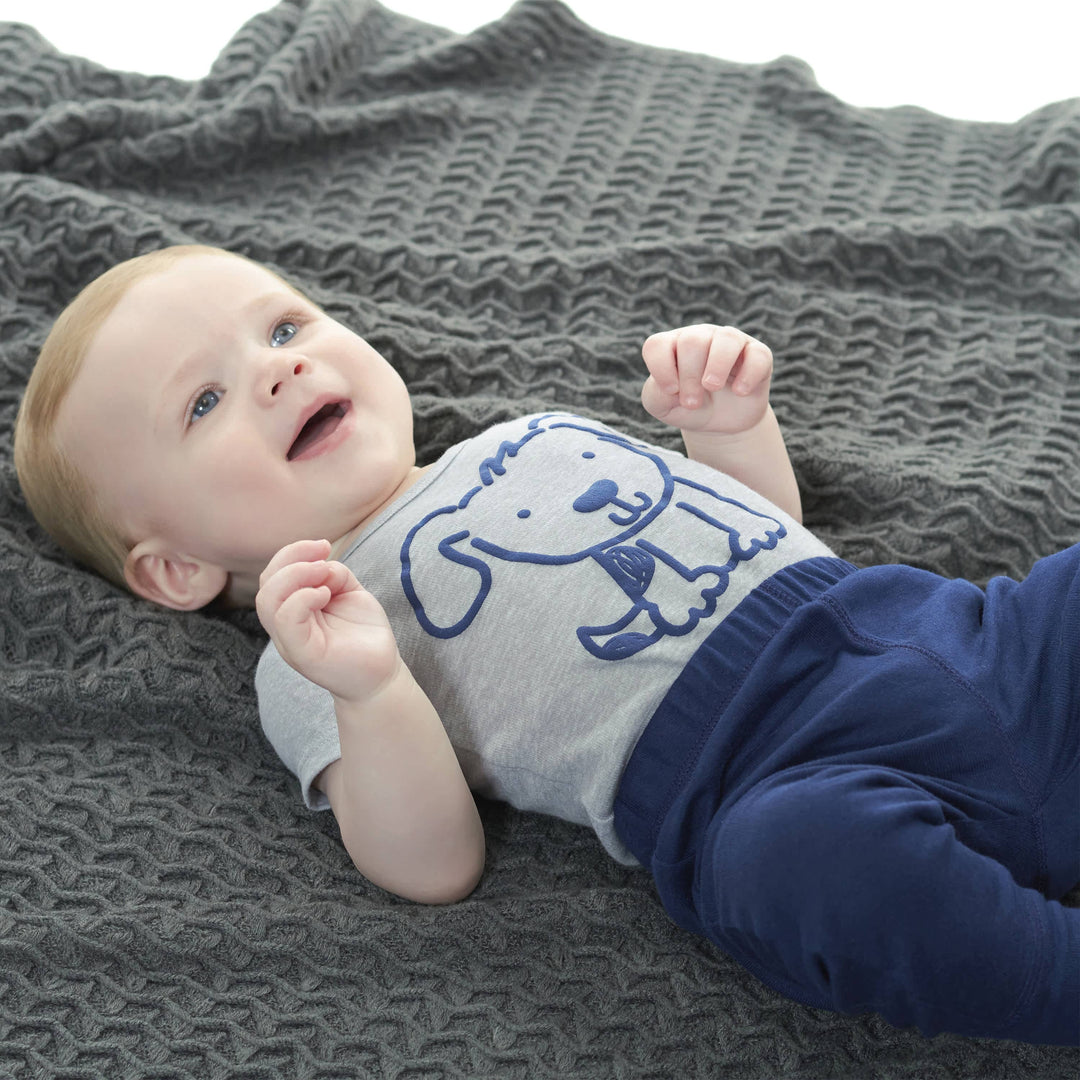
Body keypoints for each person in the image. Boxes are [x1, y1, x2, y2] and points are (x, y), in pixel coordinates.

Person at [13, 244, 1079, 1046]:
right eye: (204, 401)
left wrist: (726, 429)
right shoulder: (317, 642)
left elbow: (758, 531)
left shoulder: (531, 434)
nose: (276, 373)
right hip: (779, 777)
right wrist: (371, 689)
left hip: (952, 637)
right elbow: (435, 865)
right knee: (802, 872)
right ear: (176, 571)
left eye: (284, 328)